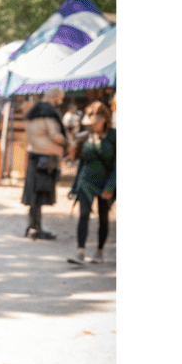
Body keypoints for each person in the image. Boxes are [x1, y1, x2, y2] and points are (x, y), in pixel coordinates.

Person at [68, 100, 116, 264]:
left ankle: (99, 251)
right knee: (83, 215)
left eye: (95, 122)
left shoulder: (114, 136)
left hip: (105, 183)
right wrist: (74, 187)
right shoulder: (86, 136)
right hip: (86, 182)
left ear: (104, 120)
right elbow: (82, 163)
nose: (92, 125)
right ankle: (80, 252)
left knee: (103, 218)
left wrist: (111, 186)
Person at [21, 87, 67, 239]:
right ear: (55, 97)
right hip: (45, 158)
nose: (61, 101)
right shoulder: (48, 113)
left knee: (33, 196)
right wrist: (68, 142)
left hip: (33, 155)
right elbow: (56, 136)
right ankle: (36, 228)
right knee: (39, 195)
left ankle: (33, 226)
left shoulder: (33, 112)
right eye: (61, 98)